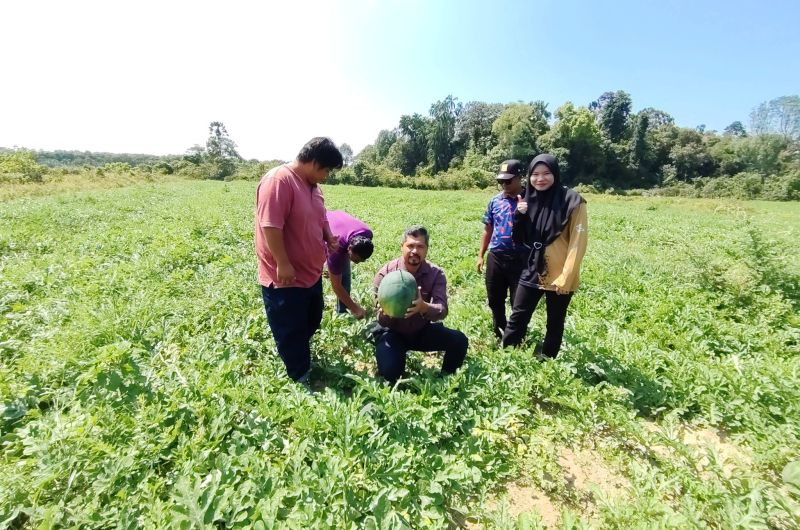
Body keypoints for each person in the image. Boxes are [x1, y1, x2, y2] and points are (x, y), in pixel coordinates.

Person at [255, 137, 343, 384]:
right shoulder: (279, 181)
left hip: (311, 273)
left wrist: (328, 236)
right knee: (290, 328)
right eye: (326, 170)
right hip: (286, 278)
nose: (327, 176)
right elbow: (270, 226)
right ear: (314, 162)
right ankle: (300, 376)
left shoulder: (314, 186)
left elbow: (321, 217)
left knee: (312, 319)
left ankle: (295, 352)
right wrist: (282, 262)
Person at [501, 153, 588, 358]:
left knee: (555, 322)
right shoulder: (528, 199)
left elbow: (578, 242)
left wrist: (566, 277)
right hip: (532, 268)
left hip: (559, 274)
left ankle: (547, 361)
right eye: (535, 174)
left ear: (555, 174)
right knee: (518, 316)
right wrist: (519, 215)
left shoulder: (573, 201)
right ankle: (507, 358)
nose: (540, 179)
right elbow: (519, 239)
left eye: (546, 173)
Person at [372, 225, 469, 385]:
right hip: (392, 332)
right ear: (402, 247)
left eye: (420, 246)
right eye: (410, 245)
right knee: (390, 374)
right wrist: (386, 313)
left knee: (459, 341)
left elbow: (442, 309)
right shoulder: (386, 273)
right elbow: (378, 316)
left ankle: (446, 381)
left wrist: (424, 307)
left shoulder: (436, 274)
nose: (415, 251)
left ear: (427, 249)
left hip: (421, 331)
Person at [477, 160, 529, 339]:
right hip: (496, 256)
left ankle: (516, 338)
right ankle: (500, 332)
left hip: (521, 258)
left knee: (518, 303)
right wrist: (480, 255)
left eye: (508, 181)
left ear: (519, 178)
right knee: (494, 299)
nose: (504, 185)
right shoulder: (495, 201)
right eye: (501, 181)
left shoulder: (531, 200)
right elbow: (488, 229)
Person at [325, 210, 374, 318]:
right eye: (356, 260)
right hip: (320, 223)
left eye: (362, 260)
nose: (357, 263)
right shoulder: (336, 249)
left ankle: (344, 310)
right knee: (341, 277)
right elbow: (336, 286)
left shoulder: (368, 234)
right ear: (349, 248)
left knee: (341, 273)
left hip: (337, 218)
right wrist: (356, 308)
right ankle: (342, 314)